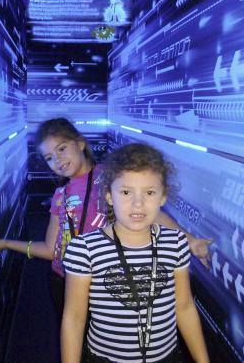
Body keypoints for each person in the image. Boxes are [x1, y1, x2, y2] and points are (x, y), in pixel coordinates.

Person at [0, 118, 211, 314]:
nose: (57, 160)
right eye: (49, 157)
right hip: (63, 281)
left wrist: (190, 240)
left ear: (80, 144)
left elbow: (149, 213)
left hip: (104, 284)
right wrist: (7, 244)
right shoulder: (60, 195)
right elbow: (53, 250)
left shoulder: (109, 177)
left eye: (61, 149)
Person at [61, 143, 209, 363]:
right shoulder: (84, 249)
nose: (138, 203)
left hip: (166, 357)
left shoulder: (176, 242)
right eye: (126, 192)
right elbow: (74, 318)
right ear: (110, 196)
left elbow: (184, 306)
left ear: (163, 197)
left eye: (149, 192)